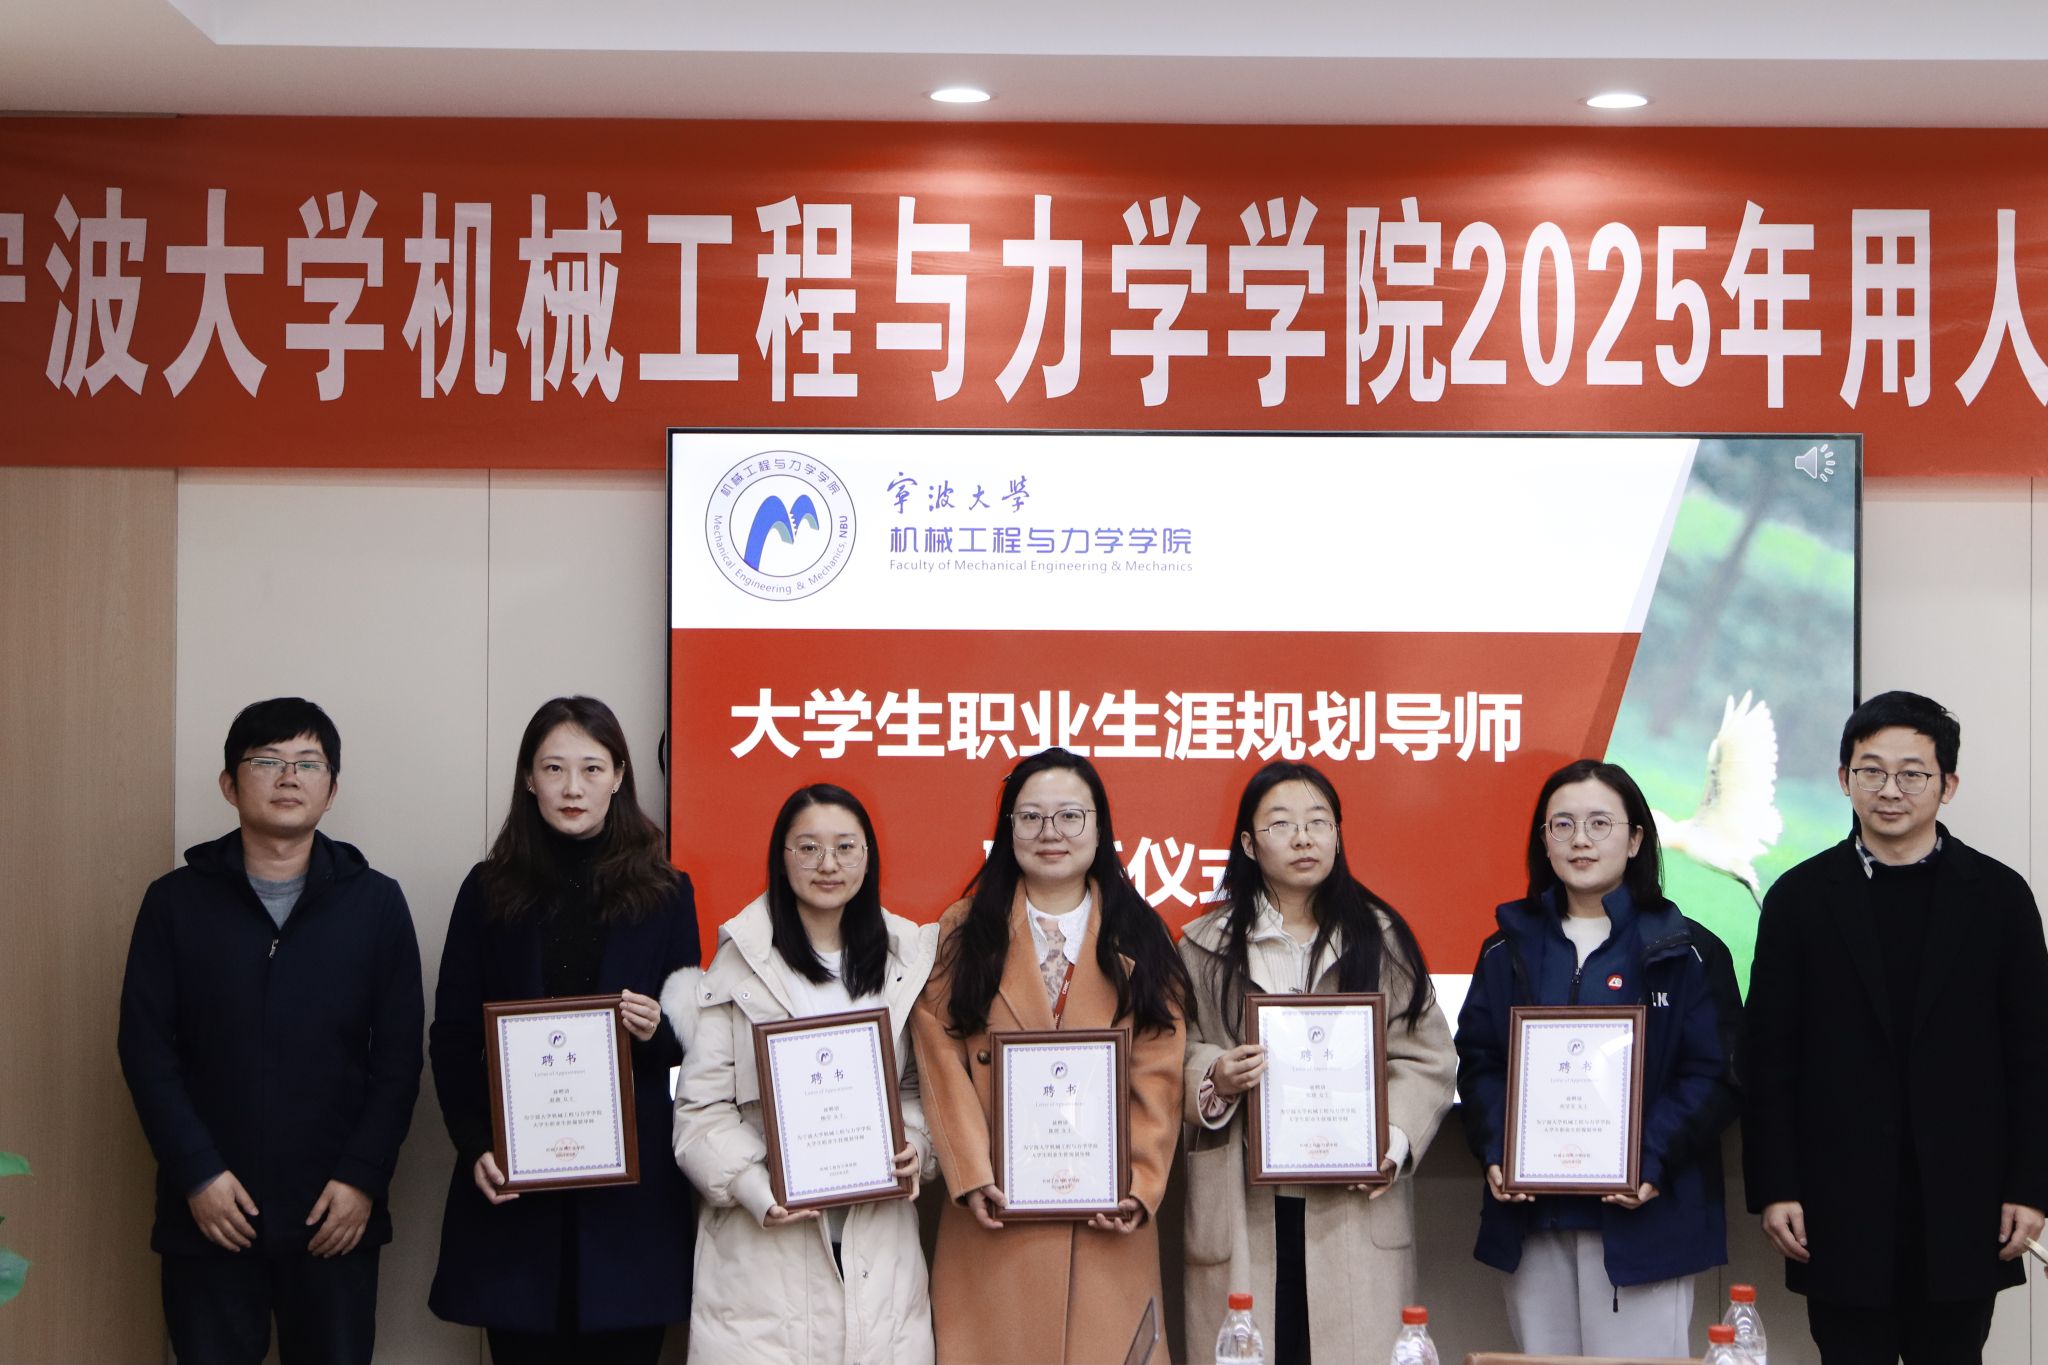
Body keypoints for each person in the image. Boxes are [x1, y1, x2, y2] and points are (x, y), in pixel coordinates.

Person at [1743, 691, 2048, 1364]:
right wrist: (1776, 1185)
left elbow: (2033, 1054)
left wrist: (2030, 1186)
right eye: (1871, 770)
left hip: (1966, 1199)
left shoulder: (1999, 897)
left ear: (1948, 785)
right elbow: (1768, 1055)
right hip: (1837, 1199)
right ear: (1843, 777)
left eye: (1912, 773)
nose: (1889, 790)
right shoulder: (1799, 898)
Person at [117, 697, 424, 1365]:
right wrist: (197, 1174)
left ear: (331, 790)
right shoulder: (174, 902)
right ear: (230, 784)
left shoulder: (376, 903)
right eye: (267, 761)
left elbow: (400, 1059)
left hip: (334, 1211)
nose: (289, 777)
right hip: (211, 1212)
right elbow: (145, 1050)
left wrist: (362, 1178)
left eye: (309, 763)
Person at [427, 696, 700, 1365]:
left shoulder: (667, 891)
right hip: (517, 1183)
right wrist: (475, 1142)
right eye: (554, 768)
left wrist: (657, 1027)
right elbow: (455, 1033)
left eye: (591, 768)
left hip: (630, 1200)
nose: (573, 787)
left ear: (619, 775)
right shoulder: (488, 889)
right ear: (529, 778)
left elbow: (691, 1044)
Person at [910, 747, 1190, 1365]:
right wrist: (972, 1174)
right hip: (995, 1214)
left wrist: (1140, 1183)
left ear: (1099, 826)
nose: (1050, 832)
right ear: (1008, 829)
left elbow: (1159, 1070)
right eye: (1031, 817)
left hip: (1106, 1216)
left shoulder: (1141, 933)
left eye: (1070, 816)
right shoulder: (963, 932)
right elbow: (939, 1055)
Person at [1455, 758, 1740, 1358]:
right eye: (1562, 825)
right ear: (1544, 841)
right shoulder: (1505, 948)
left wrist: (1647, 1158)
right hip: (1533, 1220)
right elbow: (1480, 1062)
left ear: (1636, 839)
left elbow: (1713, 1076)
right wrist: (1499, 1149)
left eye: (1599, 823)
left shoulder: (1687, 950)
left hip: (1647, 1221)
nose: (1580, 839)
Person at [1178, 761, 1457, 1365]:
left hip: (1350, 1197)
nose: (1303, 838)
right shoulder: (1202, 944)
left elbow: (1426, 1054)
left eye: (1318, 823)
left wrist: (1391, 1139)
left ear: (1337, 835)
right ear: (1249, 844)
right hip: (1244, 1198)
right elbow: (1173, 1050)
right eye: (1281, 824)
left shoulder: (1381, 938)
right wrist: (1215, 1074)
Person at [668, 783, 938, 1364]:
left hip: (880, 1258)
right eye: (809, 848)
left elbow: (918, 1089)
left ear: (868, 857)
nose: (828, 864)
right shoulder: (739, 965)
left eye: (845, 847)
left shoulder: (905, 963)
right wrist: (754, 1187)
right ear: (781, 857)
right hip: (765, 1267)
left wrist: (915, 1145)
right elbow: (700, 1111)